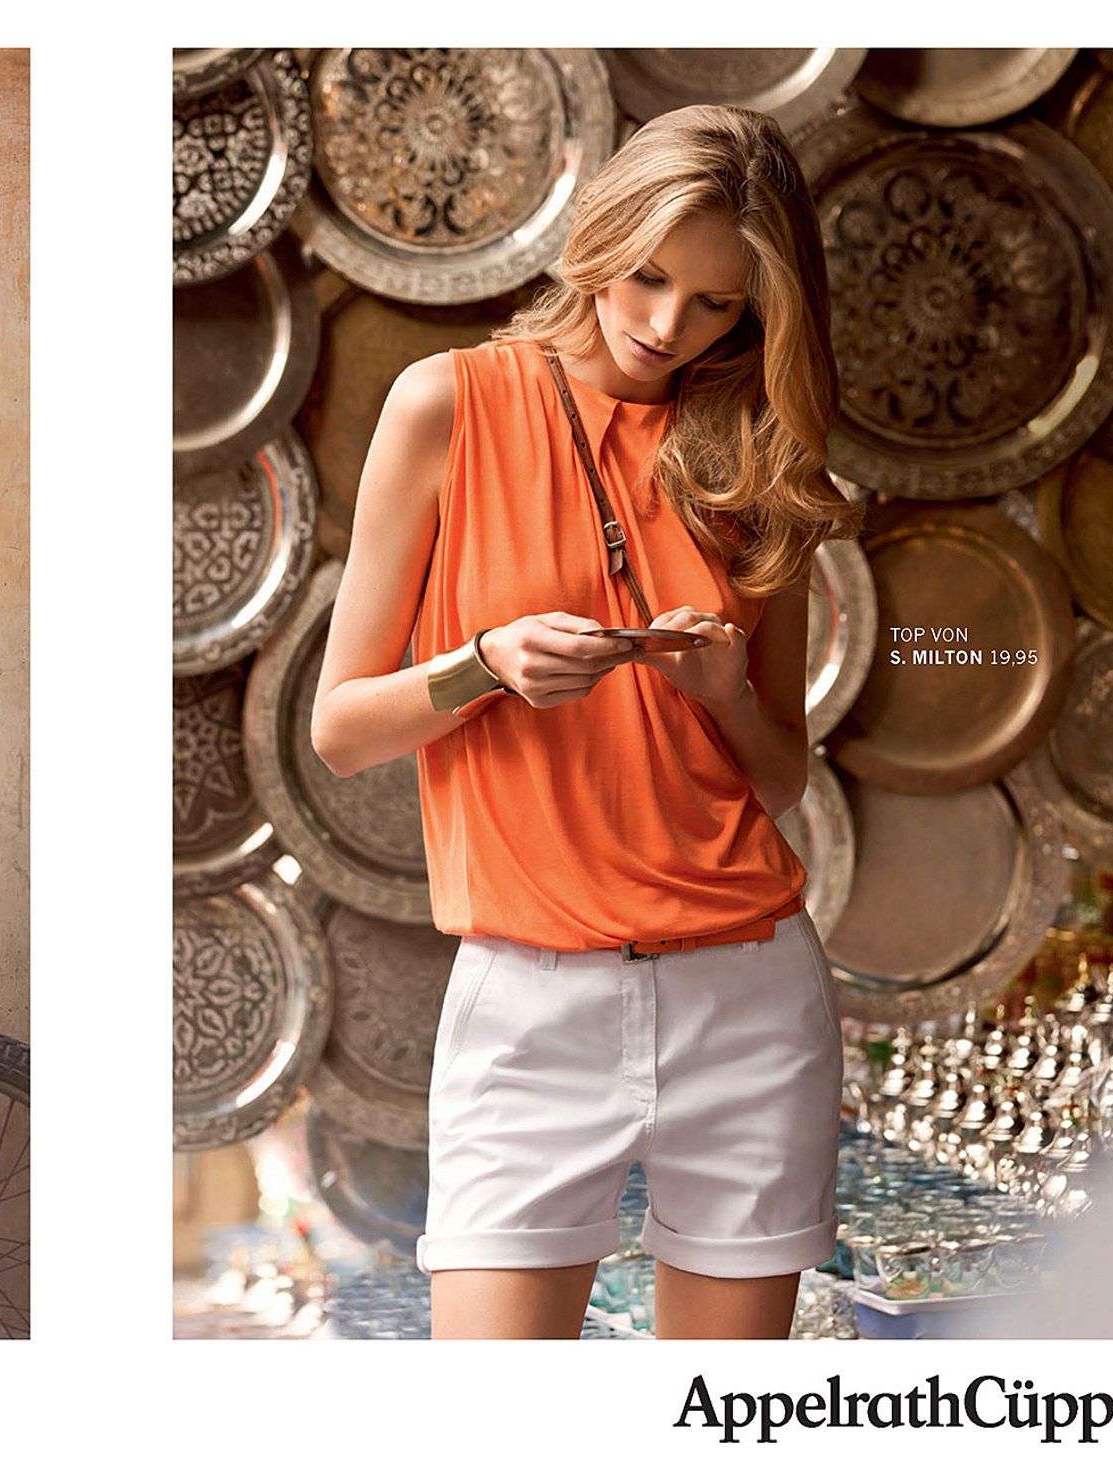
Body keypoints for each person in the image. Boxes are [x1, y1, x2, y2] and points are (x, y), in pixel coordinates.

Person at [310, 104, 862, 1339]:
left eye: (714, 304)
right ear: (601, 233)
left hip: (747, 997)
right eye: (649, 275)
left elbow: (778, 780)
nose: (666, 325)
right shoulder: (445, 404)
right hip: (527, 1004)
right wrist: (483, 665)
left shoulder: (754, 453)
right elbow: (338, 731)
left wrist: (722, 693)